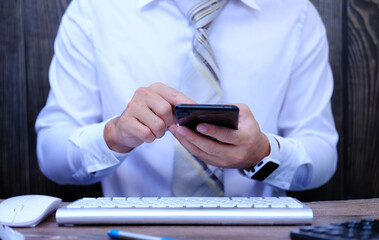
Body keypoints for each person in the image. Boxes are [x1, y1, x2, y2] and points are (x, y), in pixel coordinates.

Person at [35, 0, 338, 197]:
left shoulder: (296, 15)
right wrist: (114, 136)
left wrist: (262, 154)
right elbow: (52, 154)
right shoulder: (94, 11)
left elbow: (321, 154)